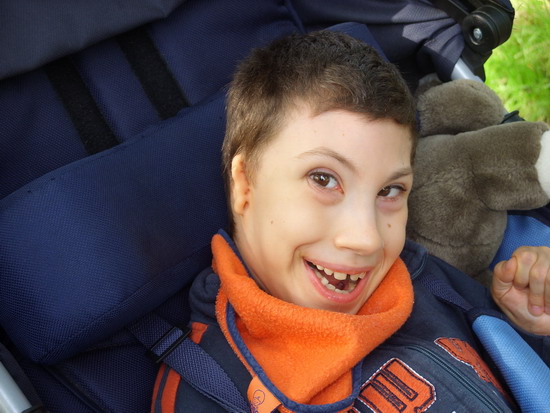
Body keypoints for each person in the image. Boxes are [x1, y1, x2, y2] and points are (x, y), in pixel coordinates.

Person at [151, 30, 550, 412]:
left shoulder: (426, 279)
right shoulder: (209, 388)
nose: (366, 239)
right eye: (323, 179)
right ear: (245, 185)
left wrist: (529, 328)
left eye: (389, 191)